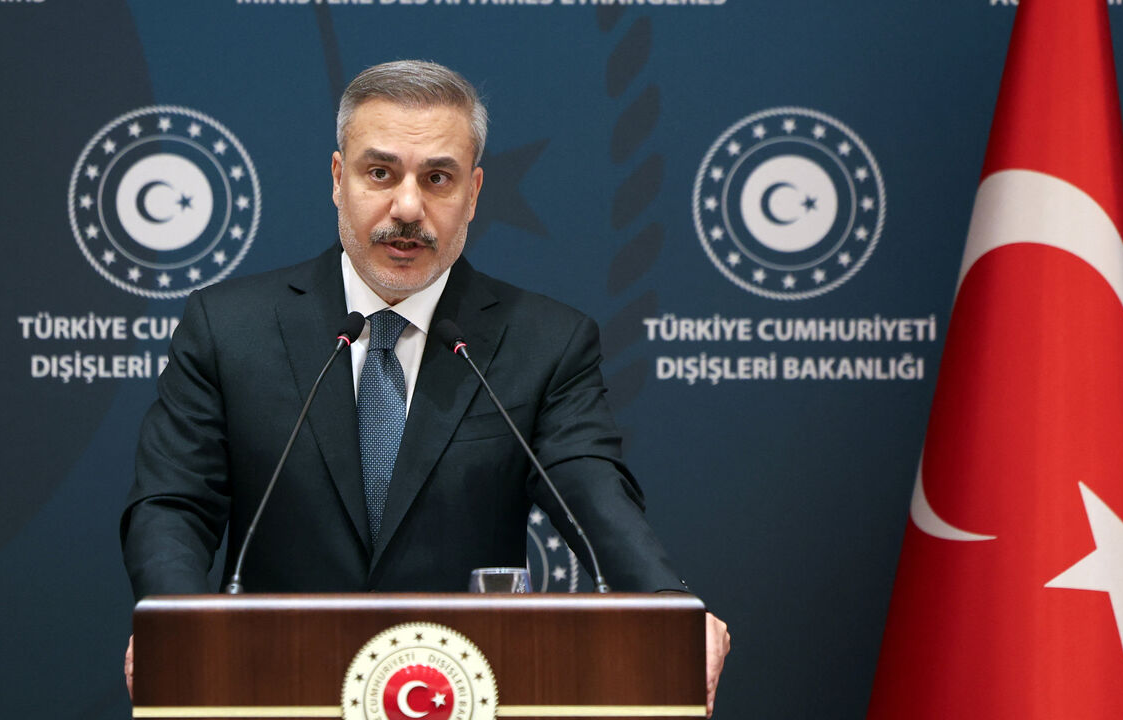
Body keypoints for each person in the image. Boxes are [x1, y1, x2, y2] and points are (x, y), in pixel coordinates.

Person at [120, 60, 729, 714]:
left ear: (473, 192)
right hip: (277, 681)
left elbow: (592, 496)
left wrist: (669, 606)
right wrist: (175, 620)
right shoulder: (228, 328)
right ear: (337, 179)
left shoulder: (544, 342)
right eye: (380, 173)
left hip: (461, 691)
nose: (407, 207)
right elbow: (173, 504)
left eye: (437, 178)